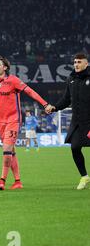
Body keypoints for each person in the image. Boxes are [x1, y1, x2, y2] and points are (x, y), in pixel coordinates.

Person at [0, 56, 53, 190]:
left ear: (5, 68)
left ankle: (2, 180)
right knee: (11, 151)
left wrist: (44, 104)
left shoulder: (13, 80)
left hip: (13, 120)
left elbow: (29, 91)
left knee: (7, 149)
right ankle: (18, 181)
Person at [47, 53, 90, 190]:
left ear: (86, 64)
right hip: (77, 121)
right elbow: (66, 99)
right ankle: (84, 176)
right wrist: (54, 107)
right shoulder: (71, 79)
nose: (76, 64)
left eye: (79, 62)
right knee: (75, 148)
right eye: (75, 62)